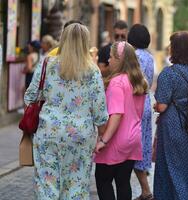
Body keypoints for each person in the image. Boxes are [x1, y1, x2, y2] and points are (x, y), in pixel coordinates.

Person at [24, 23, 108, 199]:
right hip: (80, 135)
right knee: (76, 186)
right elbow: (100, 110)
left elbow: (30, 96)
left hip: (48, 132)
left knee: (47, 185)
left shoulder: (47, 63)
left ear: (63, 39)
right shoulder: (93, 71)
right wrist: (102, 135)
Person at [153, 31, 188, 200]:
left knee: (173, 170)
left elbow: (162, 106)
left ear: (175, 49)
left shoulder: (169, 74)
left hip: (175, 128)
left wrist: (156, 106)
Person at [94, 41, 148, 200]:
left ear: (120, 60)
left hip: (116, 140)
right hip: (133, 139)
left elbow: (116, 115)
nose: (109, 60)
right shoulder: (137, 80)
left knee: (103, 180)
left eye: (111, 57)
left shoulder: (117, 82)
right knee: (123, 182)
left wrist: (104, 140)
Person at [127, 24, 155, 200]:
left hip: (134, 103)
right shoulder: (150, 57)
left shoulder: (133, 56)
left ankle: (145, 190)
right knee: (142, 146)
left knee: (133, 148)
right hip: (145, 102)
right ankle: (145, 190)